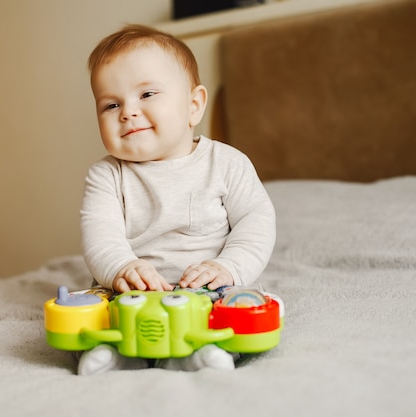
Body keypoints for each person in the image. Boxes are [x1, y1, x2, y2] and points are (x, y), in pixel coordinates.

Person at [78, 24, 276, 375]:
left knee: (247, 310)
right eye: (111, 104)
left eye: (148, 94)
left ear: (194, 105)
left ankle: (202, 351)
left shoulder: (227, 164)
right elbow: (100, 234)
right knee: (89, 313)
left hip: (208, 290)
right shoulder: (106, 176)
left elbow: (256, 221)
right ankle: (118, 352)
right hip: (133, 293)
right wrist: (122, 268)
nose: (127, 112)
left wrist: (228, 266)